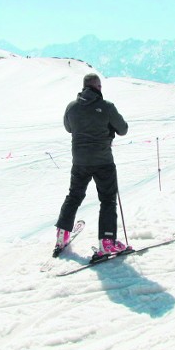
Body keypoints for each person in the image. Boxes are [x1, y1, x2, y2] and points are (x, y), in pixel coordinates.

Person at [55, 73, 129, 257]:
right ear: (97, 87)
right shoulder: (107, 107)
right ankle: (107, 242)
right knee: (108, 199)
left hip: (80, 161)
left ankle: (62, 235)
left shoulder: (71, 107)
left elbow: (68, 127)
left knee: (74, 196)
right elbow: (123, 129)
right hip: (103, 160)